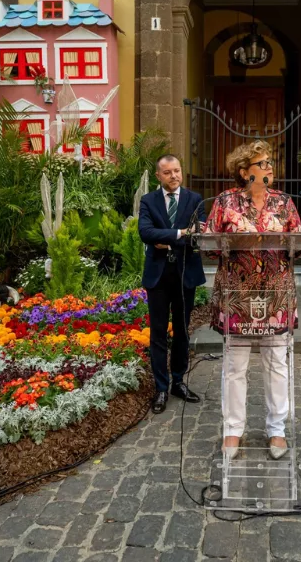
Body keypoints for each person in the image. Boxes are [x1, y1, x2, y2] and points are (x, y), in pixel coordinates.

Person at [205, 140, 301, 460]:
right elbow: (208, 244)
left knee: (277, 362)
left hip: (275, 295)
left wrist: (294, 242)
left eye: (271, 163)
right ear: (244, 171)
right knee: (235, 365)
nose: (269, 168)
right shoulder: (225, 202)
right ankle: (233, 430)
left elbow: (299, 243)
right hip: (239, 295)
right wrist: (228, 240)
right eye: (262, 163)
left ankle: (277, 430)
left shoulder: (285, 203)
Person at [139, 154, 206, 414]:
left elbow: (198, 235)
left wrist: (165, 238)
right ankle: (161, 388)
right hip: (157, 277)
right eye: (168, 172)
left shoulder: (195, 200)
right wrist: (179, 233)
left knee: (182, 330)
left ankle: (178, 381)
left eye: (177, 170)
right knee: (158, 334)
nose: (174, 176)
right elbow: (145, 232)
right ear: (159, 175)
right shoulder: (148, 201)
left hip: (184, 275)